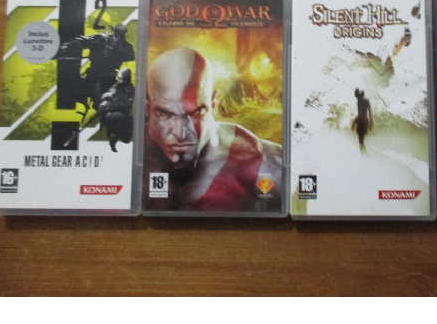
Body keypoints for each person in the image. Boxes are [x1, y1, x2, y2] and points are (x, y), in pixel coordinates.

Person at [144, 47, 282, 211]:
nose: (180, 133)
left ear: (214, 105)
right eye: (165, 114)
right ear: (147, 109)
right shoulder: (130, 154)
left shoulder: (258, 161)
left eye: (196, 113)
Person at [58, 22, 136, 121]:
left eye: (121, 34)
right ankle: (82, 109)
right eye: (117, 33)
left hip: (109, 76)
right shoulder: (101, 38)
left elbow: (131, 56)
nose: (118, 36)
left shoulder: (126, 47)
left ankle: (101, 114)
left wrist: (120, 48)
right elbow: (83, 41)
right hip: (93, 72)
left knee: (104, 97)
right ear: (114, 31)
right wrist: (70, 45)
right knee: (74, 87)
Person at [95, 67, 135, 152]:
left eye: (124, 79)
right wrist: (105, 103)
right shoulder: (116, 87)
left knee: (127, 139)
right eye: (120, 79)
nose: (121, 81)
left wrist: (115, 103)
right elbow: (110, 95)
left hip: (123, 114)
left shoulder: (131, 89)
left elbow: (129, 102)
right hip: (112, 115)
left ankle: (114, 139)